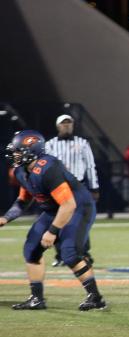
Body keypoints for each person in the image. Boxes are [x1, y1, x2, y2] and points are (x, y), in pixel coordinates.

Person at [1, 130, 107, 311]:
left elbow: (68, 204)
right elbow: (23, 200)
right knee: (32, 249)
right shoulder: (21, 171)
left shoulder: (48, 168)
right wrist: (5, 218)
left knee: (69, 253)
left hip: (78, 207)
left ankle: (95, 298)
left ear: (31, 150)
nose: (15, 155)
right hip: (54, 209)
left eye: (18, 151)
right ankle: (37, 299)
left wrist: (52, 231)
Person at [45, 114, 99, 267]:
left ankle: (84, 253)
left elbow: (90, 166)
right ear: (58, 126)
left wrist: (94, 187)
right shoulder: (50, 145)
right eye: (64, 123)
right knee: (59, 220)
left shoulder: (82, 143)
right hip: (58, 188)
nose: (67, 125)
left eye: (69, 123)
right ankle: (60, 255)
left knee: (81, 220)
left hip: (78, 187)